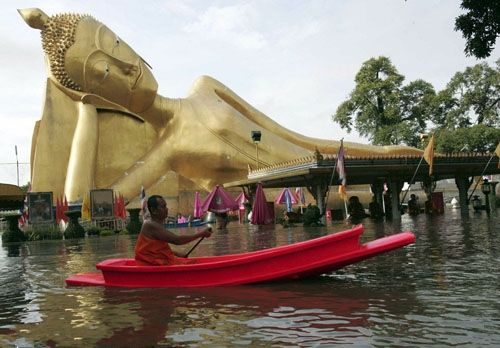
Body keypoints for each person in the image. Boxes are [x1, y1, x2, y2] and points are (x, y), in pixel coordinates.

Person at [20, 8, 424, 204]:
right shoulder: (167, 153)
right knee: (361, 198)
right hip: (293, 194)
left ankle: (407, 166)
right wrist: (86, 110)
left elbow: (284, 131)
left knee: (386, 155)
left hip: (309, 160)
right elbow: (79, 204)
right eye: (107, 72)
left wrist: (363, 150)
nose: (129, 66)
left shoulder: (205, 85)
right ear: (105, 96)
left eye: (118, 45)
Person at [135, 195, 212, 265]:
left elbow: (159, 249)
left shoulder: (156, 224)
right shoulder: (150, 225)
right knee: (191, 264)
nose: (167, 209)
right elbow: (177, 240)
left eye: (166, 206)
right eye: (163, 207)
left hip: (158, 262)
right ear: (154, 210)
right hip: (149, 265)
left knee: (191, 262)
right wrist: (201, 234)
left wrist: (178, 254)